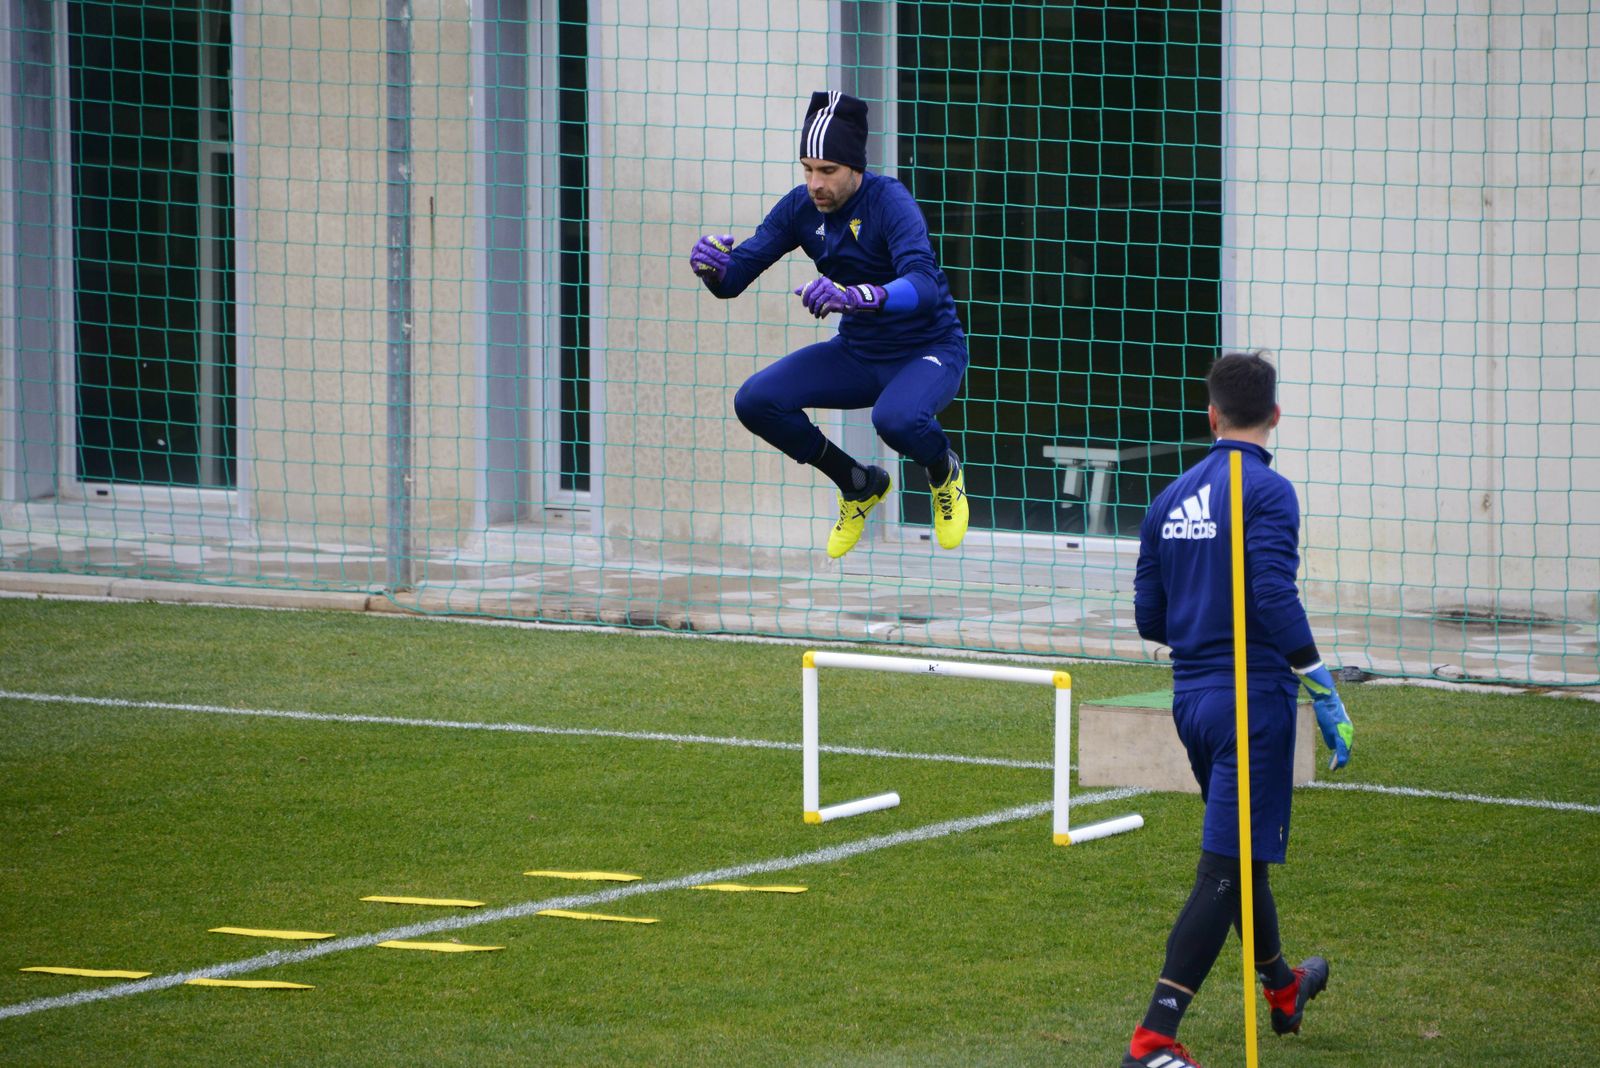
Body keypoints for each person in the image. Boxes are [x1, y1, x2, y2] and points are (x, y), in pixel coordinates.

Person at [1121, 350, 1355, 1068]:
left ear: (1210, 414)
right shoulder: (1270, 491)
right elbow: (1273, 595)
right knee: (1223, 869)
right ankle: (1152, 1041)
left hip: (1190, 701)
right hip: (1252, 703)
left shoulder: (1168, 498)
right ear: (1275, 415)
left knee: (1242, 854)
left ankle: (1284, 990)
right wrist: (1320, 681)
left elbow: (1149, 618)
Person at [689, 90, 970, 558]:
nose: (815, 183)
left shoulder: (890, 202)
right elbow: (735, 277)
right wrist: (712, 269)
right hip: (859, 354)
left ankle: (944, 471)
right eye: (807, 169)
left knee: (895, 420)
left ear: (855, 168)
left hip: (927, 349)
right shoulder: (800, 208)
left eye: (828, 171)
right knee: (755, 401)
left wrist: (857, 296)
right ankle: (858, 483)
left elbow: (922, 281)